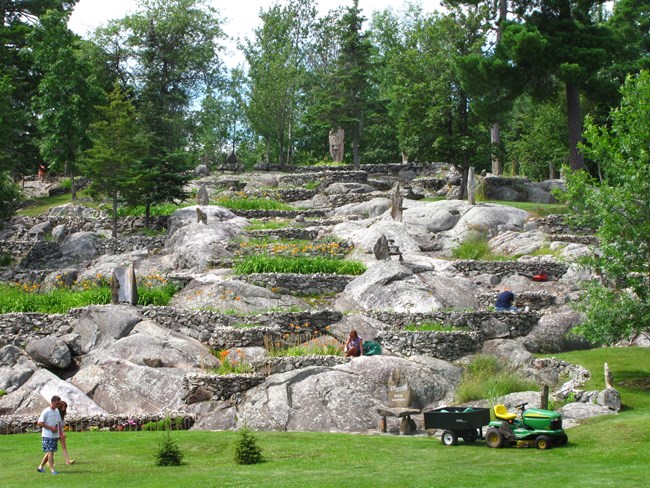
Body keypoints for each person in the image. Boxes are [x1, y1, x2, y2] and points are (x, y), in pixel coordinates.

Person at [36, 395, 62, 475]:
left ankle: (40, 467)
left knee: (51, 452)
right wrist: (50, 428)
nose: (58, 405)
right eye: (57, 403)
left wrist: (60, 433)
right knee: (50, 452)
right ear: (53, 402)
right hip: (47, 435)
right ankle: (52, 469)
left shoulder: (57, 411)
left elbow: (58, 423)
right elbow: (39, 423)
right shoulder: (46, 411)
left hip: (55, 435)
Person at [57, 400, 75, 465]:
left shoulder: (62, 415)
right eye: (63, 406)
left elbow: (61, 426)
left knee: (64, 447)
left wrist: (62, 432)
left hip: (60, 433)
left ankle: (67, 460)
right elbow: (56, 425)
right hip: (55, 433)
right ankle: (49, 461)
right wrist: (61, 433)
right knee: (52, 448)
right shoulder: (56, 414)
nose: (64, 408)